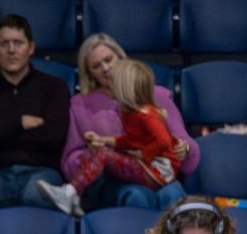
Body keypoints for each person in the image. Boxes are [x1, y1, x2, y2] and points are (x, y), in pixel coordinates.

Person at [62, 33, 197, 212]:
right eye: (96, 66)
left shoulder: (156, 95)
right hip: (114, 180)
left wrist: (184, 148)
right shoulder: (80, 105)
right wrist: (91, 153)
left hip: (156, 171)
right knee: (136, 195)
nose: (105, 68)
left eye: (109, 59)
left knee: (173, 194)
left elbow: (184, 142)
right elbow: (70, 159)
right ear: (90, 73)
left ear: (121, 57)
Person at [39, 60, 182, 217]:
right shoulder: (131, 112)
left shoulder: (147, 114)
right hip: (148, 167)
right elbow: (131, 140)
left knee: (104, 155)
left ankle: (69, 193)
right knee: (98, 152)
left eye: (117, 83)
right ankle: (73, 196)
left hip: (157, 172)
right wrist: (103, 140)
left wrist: (144, 153)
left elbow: (164, 141)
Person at [0, 15, 69, 218]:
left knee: (35, 198)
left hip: (41, 170)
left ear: (31, 48)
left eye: (18, 43)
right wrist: (21, 122)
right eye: (4, 44)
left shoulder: (54, 87)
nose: (11, 50)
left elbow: (52, 137)